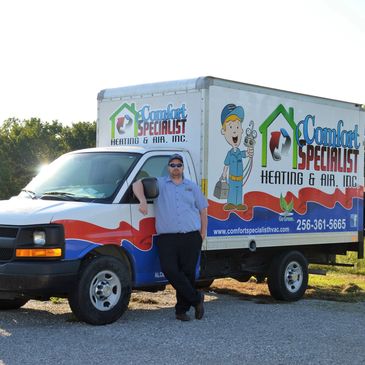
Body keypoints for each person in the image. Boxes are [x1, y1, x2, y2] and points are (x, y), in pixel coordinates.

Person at [133, 154, 208, 321]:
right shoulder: (159, 184)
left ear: (183, 168)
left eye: (178, 165)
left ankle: (181, 311)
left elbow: (203, 210)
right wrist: (143, 201)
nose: (175, 168)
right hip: (167, 238)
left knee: (187, 273)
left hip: (191, 236)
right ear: (168, 168)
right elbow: (137, 184)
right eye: (172, 165)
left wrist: (202, 233)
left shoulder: (192, 187)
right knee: (169, 270)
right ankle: (196, 298)